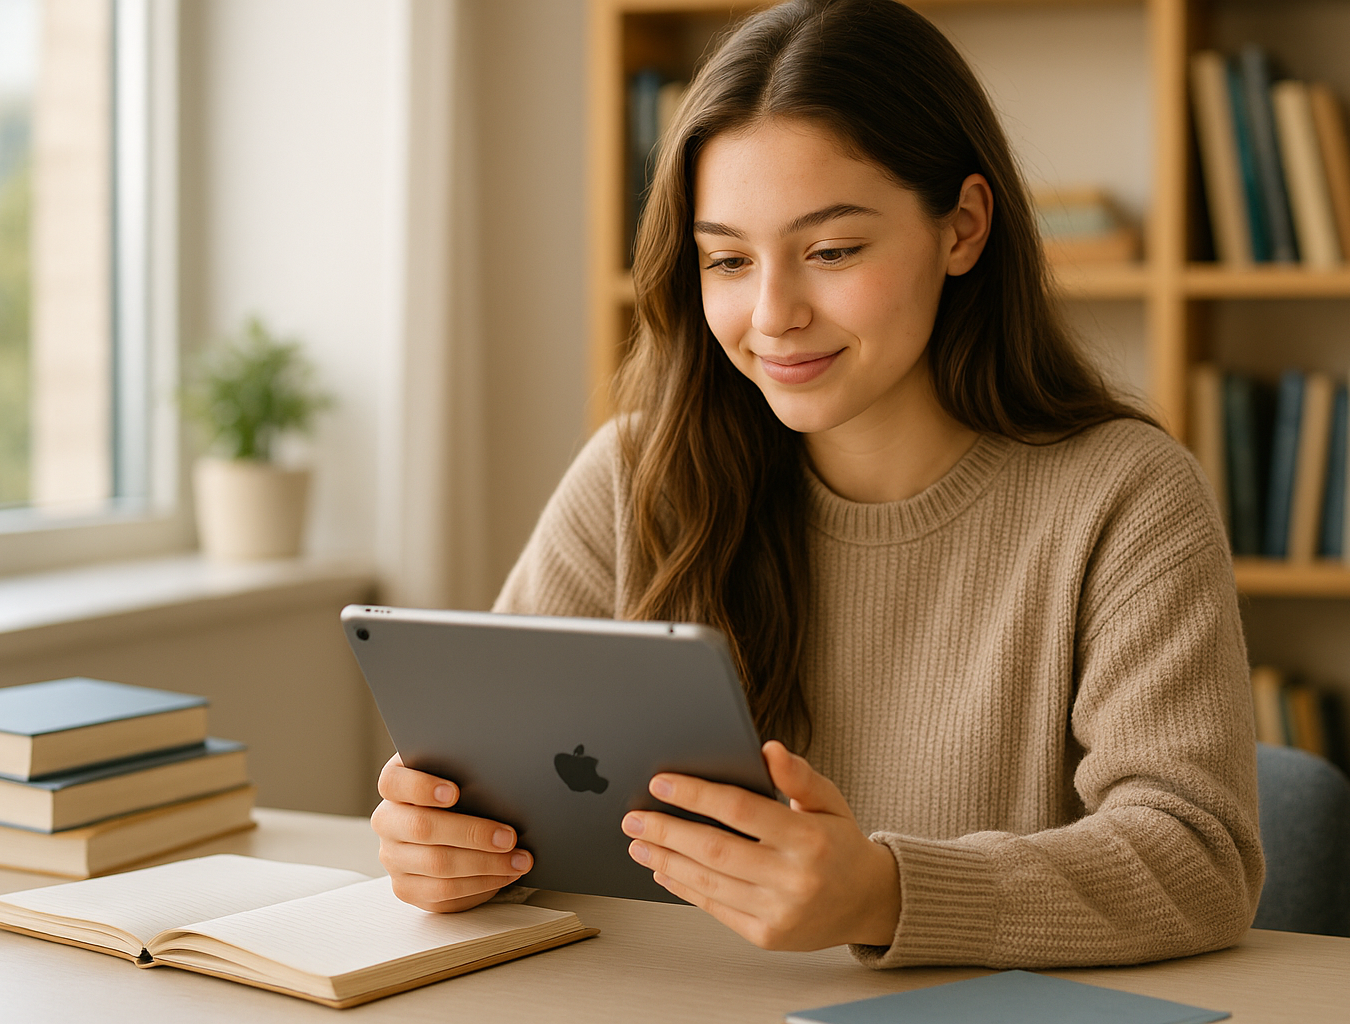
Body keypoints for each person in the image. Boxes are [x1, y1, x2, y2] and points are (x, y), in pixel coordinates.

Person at [372, 0, 1263, 969]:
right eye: (727, 259)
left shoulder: (1127, 498)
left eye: (832, 250)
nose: (773, 314)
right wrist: (443, 840)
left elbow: (1197, 856)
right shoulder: (639, 477)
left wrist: (883, 891)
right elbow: (494, 774)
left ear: (962, 229)